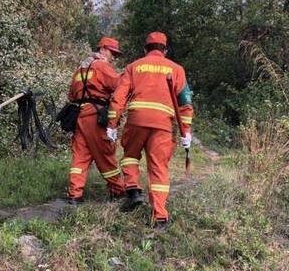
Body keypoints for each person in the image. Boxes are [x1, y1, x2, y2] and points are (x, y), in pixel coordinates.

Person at [110, 32, 194, 229]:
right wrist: (186, 131)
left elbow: (118, 97)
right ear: (165, 50)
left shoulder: (133, 67)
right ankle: (160, 217)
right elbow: (185, 102)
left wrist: (112, 124)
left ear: (144, 49)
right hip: (163, 125)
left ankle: (133, 190)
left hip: (137, 120)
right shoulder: (177, 69)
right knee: (158, 167)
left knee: (130, 155)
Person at [66, 36, 126, 204]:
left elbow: (71, 94)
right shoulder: (102, 66)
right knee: (105, 154)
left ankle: (74, 195)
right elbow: (119, 84)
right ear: (103, 49)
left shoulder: (80, 69)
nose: (114, 57)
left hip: (79, 116)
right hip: (95, 116)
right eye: (113, 53)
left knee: (80, 156)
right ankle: (118, 191)